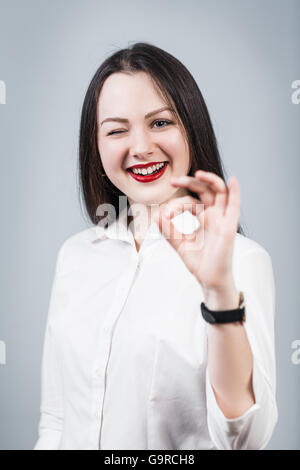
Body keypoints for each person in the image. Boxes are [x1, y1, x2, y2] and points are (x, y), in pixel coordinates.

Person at [33, 42, 278, 450]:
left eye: (160, 123)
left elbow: (245, 439)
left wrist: (219, 292)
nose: (141, 147)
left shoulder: (242, 262)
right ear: (95, 145)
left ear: (191, 128)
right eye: (116, 129)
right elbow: (55, 421)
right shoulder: (75, 255)